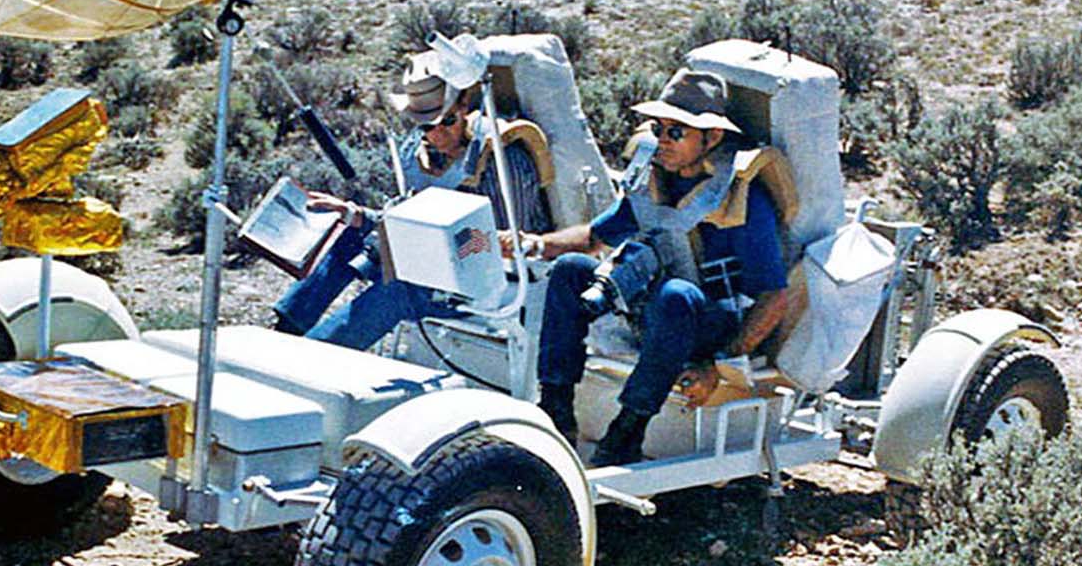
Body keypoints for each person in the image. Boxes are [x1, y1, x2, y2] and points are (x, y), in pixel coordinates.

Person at [519, 69, 789, 466]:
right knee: (571, 269)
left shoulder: (740, 197)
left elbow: (774, 297)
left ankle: (628, 430)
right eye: (657, 128)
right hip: (654, 310)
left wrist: (721, 364)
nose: (662, 140)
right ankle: (557, 407)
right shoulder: (652, 180)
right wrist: (535, 243)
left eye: (675, 132)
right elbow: (595, 238)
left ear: (711, 137)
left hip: (706, 321)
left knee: (676, 296)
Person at [272, 47, 554, 350]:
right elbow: (409, 215)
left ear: (464, 103)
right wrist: (358, 216)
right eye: (426, 126)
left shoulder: (501, 157)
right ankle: (283, 332)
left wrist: (428, 246)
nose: (437, 136)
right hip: (434, 258)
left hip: (492, 279)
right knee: (352, 238)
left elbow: (503, 243)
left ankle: (313, 357)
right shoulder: (418, 152)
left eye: (447, 122)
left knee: (401, 291)